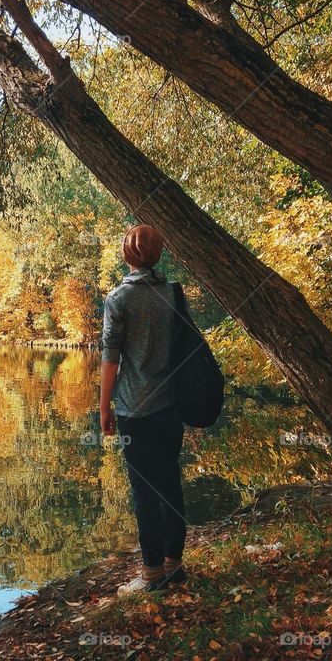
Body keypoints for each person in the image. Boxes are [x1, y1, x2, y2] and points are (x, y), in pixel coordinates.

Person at [99, 224, 187, 594]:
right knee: (170, 482)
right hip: (171, 405)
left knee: (144, 489)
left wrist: (103, 406)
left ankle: (151, 572)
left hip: (134, 409)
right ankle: (174, 563)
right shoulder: (172, 293)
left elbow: (110, 358)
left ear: (126, 255)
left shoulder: (118, 300)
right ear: (157, 254)